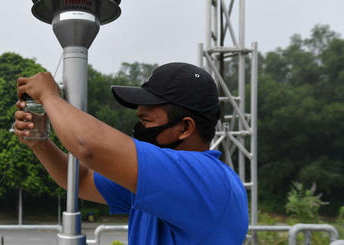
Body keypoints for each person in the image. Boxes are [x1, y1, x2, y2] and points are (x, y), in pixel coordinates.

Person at [14, 62, 249, 244]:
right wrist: (40, 142)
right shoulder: (160, 183)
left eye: (146, 120)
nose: (139, 129)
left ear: (185, 128)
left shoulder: (207, 180)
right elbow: (81, 180)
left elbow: (88, 146)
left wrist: (49, 96)